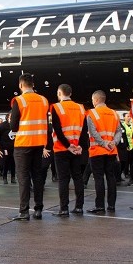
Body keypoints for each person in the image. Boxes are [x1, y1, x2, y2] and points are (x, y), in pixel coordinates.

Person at [9, 73, 50, 221]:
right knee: (37, 176)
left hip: (23, 144)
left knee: (23, 177)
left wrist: (14, 131)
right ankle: (38, 209)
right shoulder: (44, 100)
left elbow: (13, 125)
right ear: (33, 84)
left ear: (20, 85)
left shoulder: (19, 100)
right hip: (39, 143)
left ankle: (24, 211)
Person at [48, 84, 89, 217]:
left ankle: (64, 209)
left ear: (60, 93)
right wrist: (80, 146)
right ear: (70, 93)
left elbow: (58, 130)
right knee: (77, 177)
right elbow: (84, 130)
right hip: (76, 149)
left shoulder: (56, 107)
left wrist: (67, 145)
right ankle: (79, 207)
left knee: (63, 179)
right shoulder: (81, 108)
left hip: (62, 149)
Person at [85, 90, 122, 214]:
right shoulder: (114, 113)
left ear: (95, 100)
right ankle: (111, 205)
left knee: (99, 178)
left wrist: (103, 143)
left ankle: (99, 206)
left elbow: (93, 132)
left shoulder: (92, 113)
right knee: (111, 177)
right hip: (111, 151)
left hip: (97, 151)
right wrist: (113, 143)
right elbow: (118, 132)